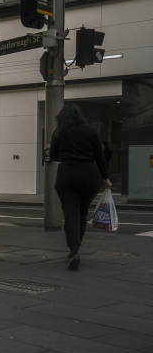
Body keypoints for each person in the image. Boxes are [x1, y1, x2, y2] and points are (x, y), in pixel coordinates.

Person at [50, 101, 111, 270]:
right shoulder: (92, 132)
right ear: (80, 116)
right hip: (90, 175)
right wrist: (105, 178)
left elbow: (54, 155)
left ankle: (74, 251)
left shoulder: (58, 133)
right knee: (82, 213)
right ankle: (77, 248)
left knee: (70, 214)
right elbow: (100, 157)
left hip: (68, 174)